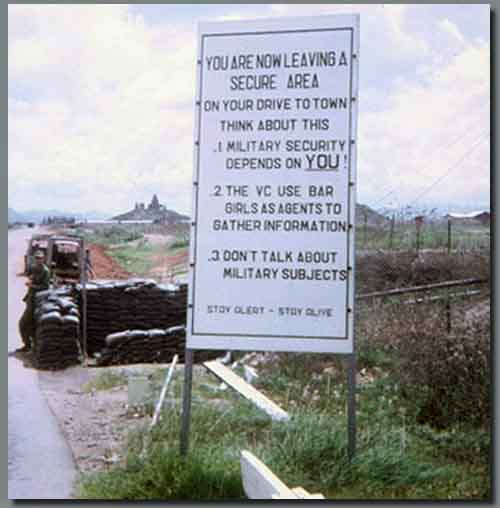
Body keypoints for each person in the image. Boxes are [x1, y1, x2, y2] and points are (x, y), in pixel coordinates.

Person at [18, 250, 50, 352]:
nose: (38, 260)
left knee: (24, 323)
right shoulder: (33, 267)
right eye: (36, 258)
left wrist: (33, 286)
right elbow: (28, 274)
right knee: (28, 324)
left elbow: (45, 287)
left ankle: (31, 345)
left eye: (40, 258)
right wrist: (29, 278)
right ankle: (28, 345)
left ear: (43, 259)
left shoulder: (45, 271)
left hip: (38, 300)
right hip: (31, 299)